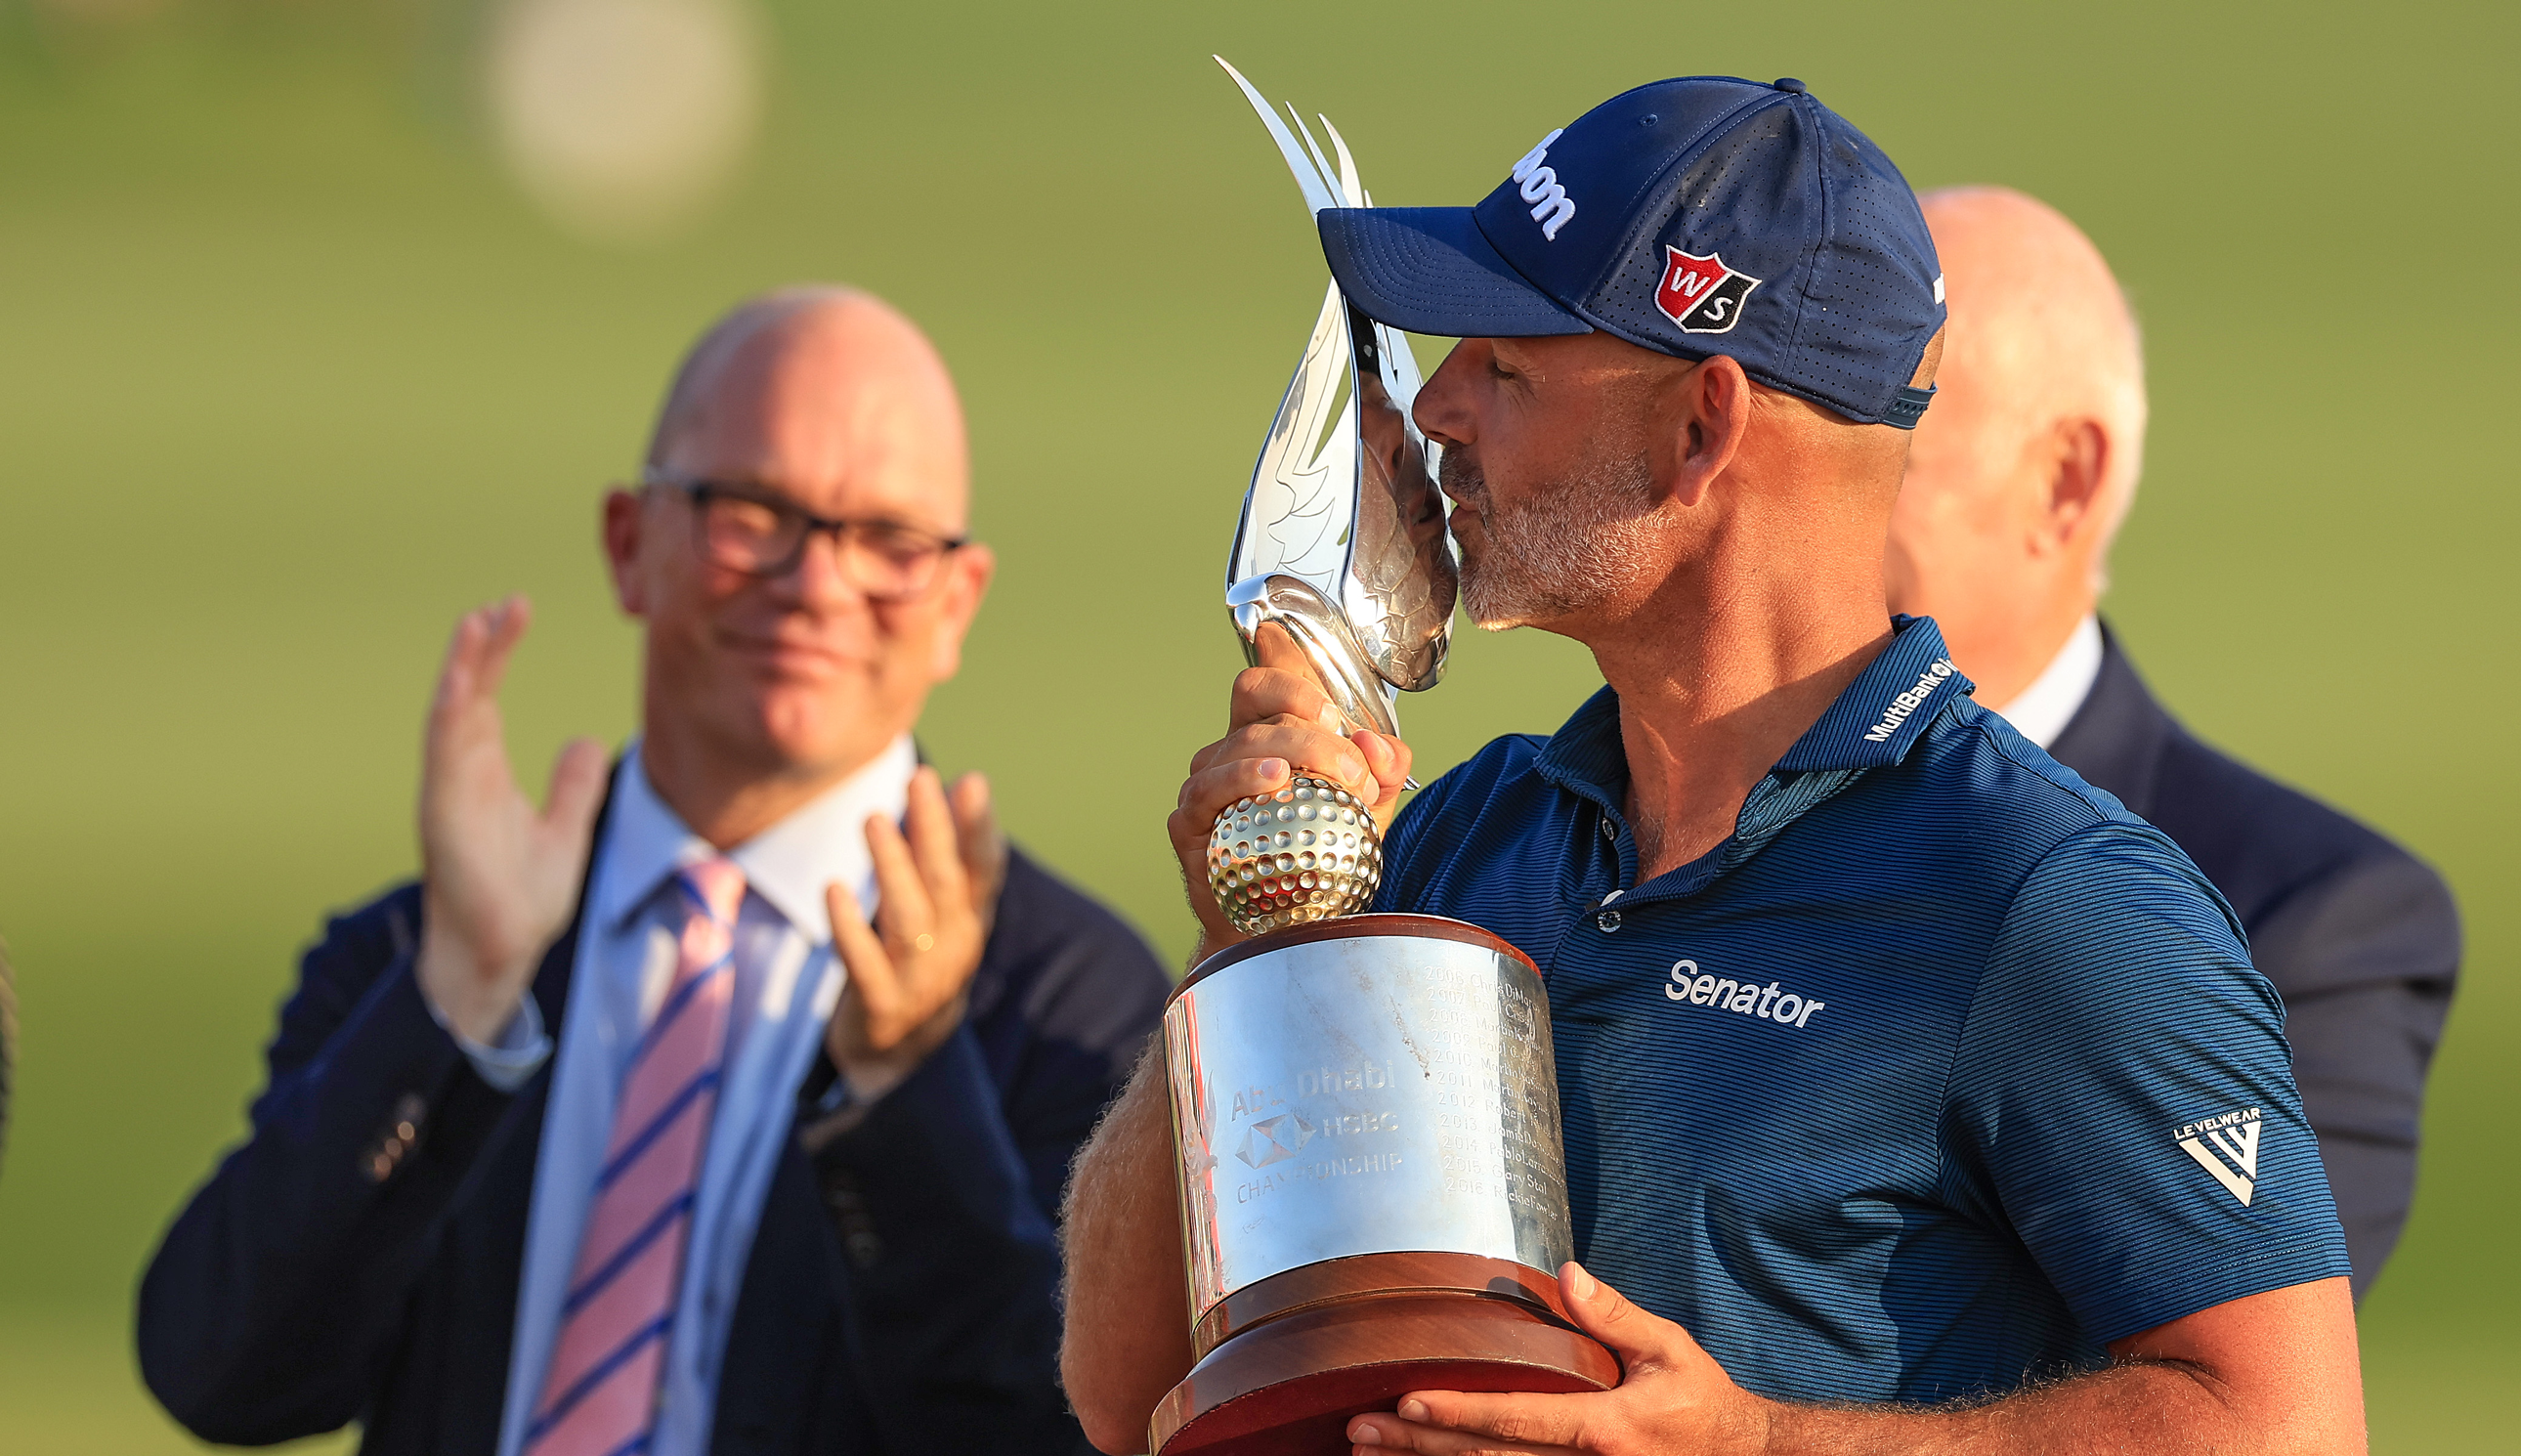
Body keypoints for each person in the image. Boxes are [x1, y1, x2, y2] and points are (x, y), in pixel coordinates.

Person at [1060, 77, 2366, 1455]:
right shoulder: (1466, 834)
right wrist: (1251, 930)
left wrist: (1757, 1441)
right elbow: (1125, 1382)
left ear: (1701, 429)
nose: (1437, 406)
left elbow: (2289, 1425)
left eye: (1508, 367)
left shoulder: (2051, 903)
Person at [138, 288, 1170, 1456]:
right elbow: (220, 1372)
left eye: (888, 541)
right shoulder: (435, 949)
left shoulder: (1066, 999)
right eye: (754, 513)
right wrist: (454, 1006)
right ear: (630, 543)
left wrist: (905, 1090)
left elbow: (1057, 1434)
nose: (816, 582)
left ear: (955, 602)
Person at [1886, 186, 2458, 1299]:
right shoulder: (1629, 802)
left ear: (2063, 482)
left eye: (1882, 457)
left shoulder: (2310, 926)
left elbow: (2221, 1367)